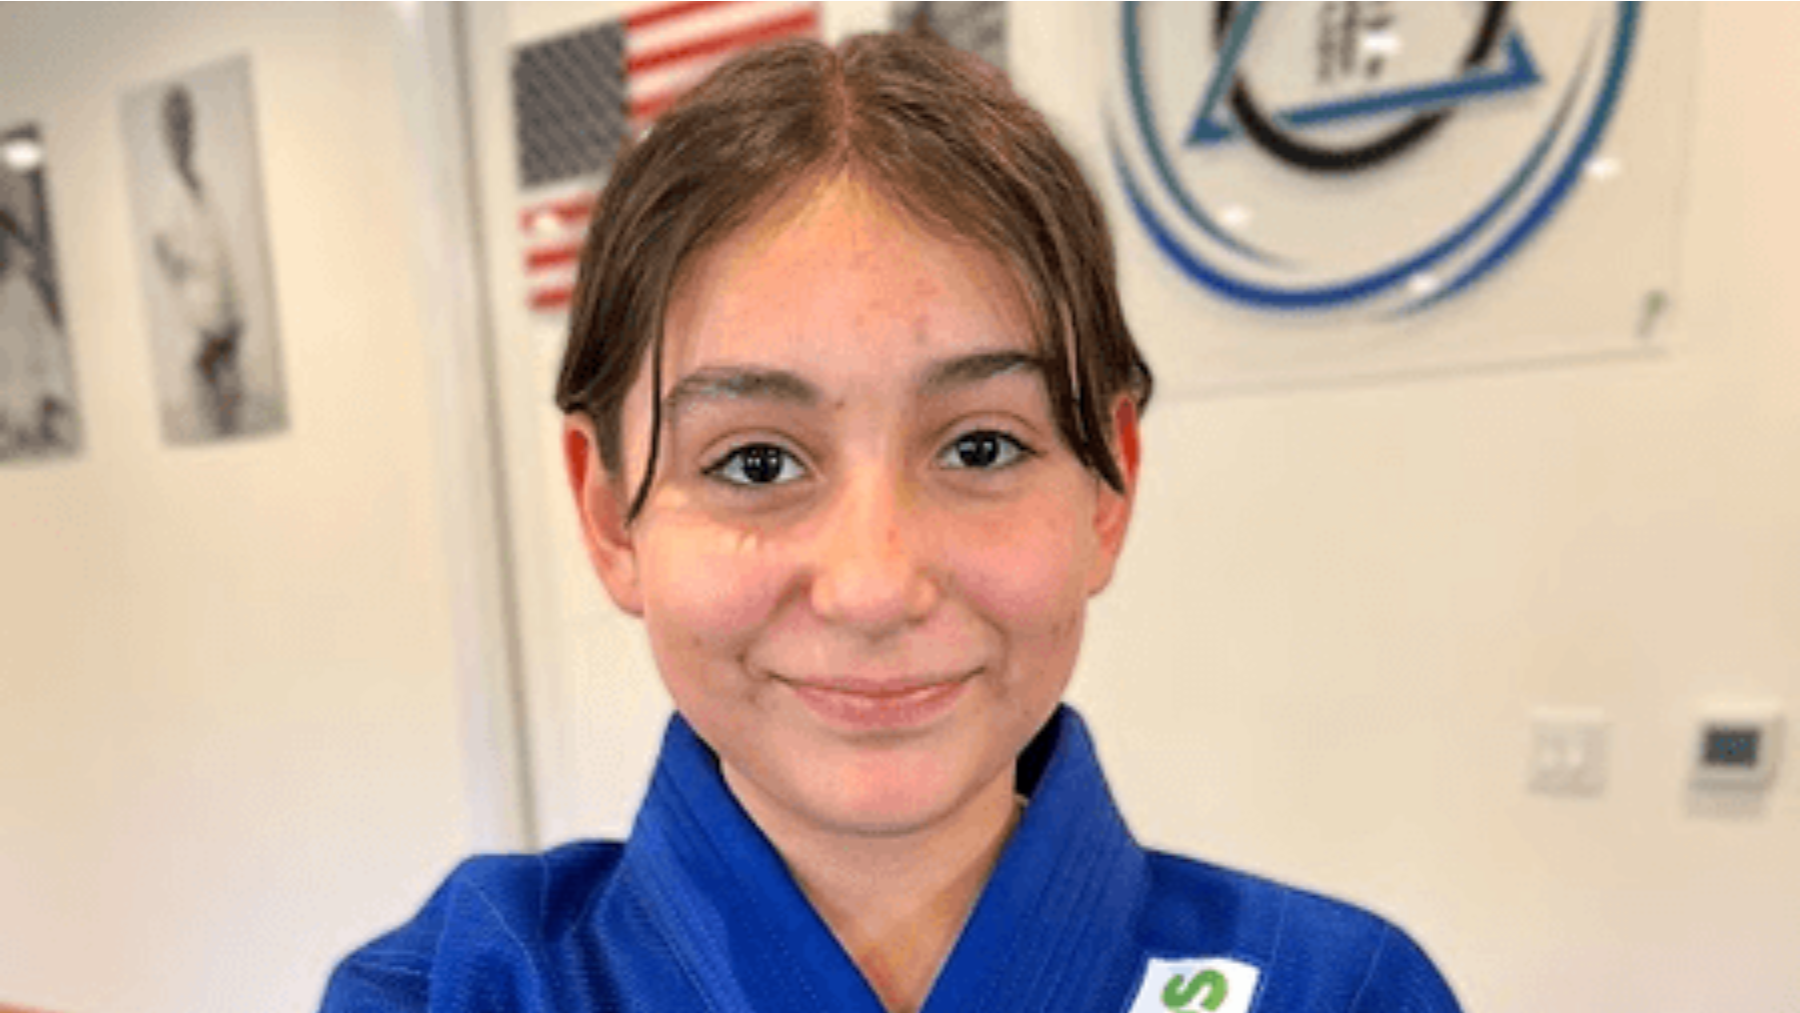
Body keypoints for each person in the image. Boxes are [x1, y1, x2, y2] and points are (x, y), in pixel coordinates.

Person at [322, 30, 1463, 1013]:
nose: (873, 583)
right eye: (756, 460)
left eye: (980, 446)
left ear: (1108, 486)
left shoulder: (1340, 988)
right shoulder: (460, 987)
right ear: (609, 512)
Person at [151, 84, 245, 437]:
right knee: (213, 430)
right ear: (165, 133)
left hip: (227, 326)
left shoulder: (205, 186)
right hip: (201, 337)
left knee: (233, 425)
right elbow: (162, 253)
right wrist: (196, 320)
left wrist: (234, 317)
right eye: (174, 125)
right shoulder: (167, 195)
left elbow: (220, 255)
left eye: (186, 123)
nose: (182, 133)